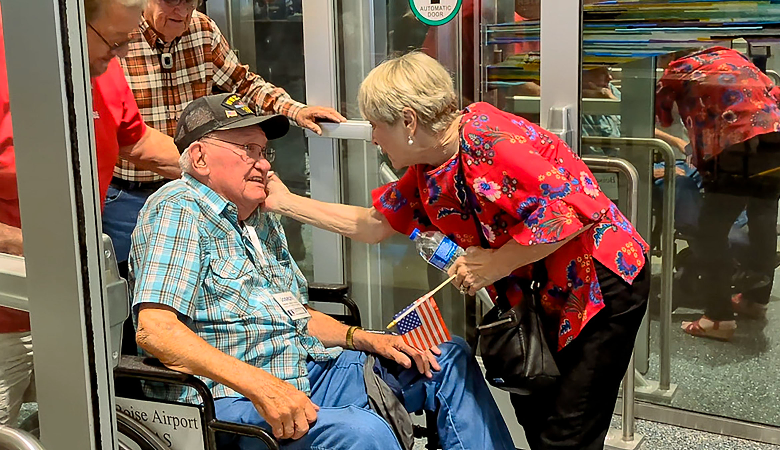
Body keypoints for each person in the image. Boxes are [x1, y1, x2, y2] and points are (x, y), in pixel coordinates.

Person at [262, 52, 651, 450]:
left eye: (379, 126)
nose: (374, 138)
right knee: (536, 409)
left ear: (409, 121)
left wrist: (496, 264)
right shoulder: (430, 164)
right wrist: (284, 202)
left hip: (596, 285)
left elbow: (574, 209)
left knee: (568, 429)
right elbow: (374, 224)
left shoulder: (488, 138)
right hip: (539, 296)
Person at [129, 93, 515, 450]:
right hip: (230, 398)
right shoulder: (179, 210)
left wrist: (367, 339)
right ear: (199, 158)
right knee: (365, 434)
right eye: (248, 150)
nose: (263, 164)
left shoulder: (258, 217)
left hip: (302, 368)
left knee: (444, 359)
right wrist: (259, 384)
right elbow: (155, 330)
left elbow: (293, 314)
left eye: (264, 152)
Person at [0, 0, 181, 425]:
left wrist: (209, 163)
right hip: (7, 310)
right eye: (113, 42)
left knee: (76, 422)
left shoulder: (97, 62)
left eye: (126, 43)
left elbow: (134, 139)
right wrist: (34, 244)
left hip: (71, 300)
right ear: (63, 23)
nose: (118, 57)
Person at [108, 0, 345, 272]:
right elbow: (128, 137)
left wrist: (295, 110)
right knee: (134, 284)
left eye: (191, 2)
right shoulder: (120, 35)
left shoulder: (202, 29)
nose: (183, 12)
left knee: (203, 276)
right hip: (129, 193)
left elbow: (243, 84)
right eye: (173, 1)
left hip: (196, 188)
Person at [656, 46, 780, 339]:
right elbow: (770, 90)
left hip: (738, 144)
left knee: (711, 232)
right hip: (778, 136)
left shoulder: (676, 71)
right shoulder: (733, 58)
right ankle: (755, 301)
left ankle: (718, 318)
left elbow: (660, 117)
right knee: (763, 214)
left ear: (669, 56)